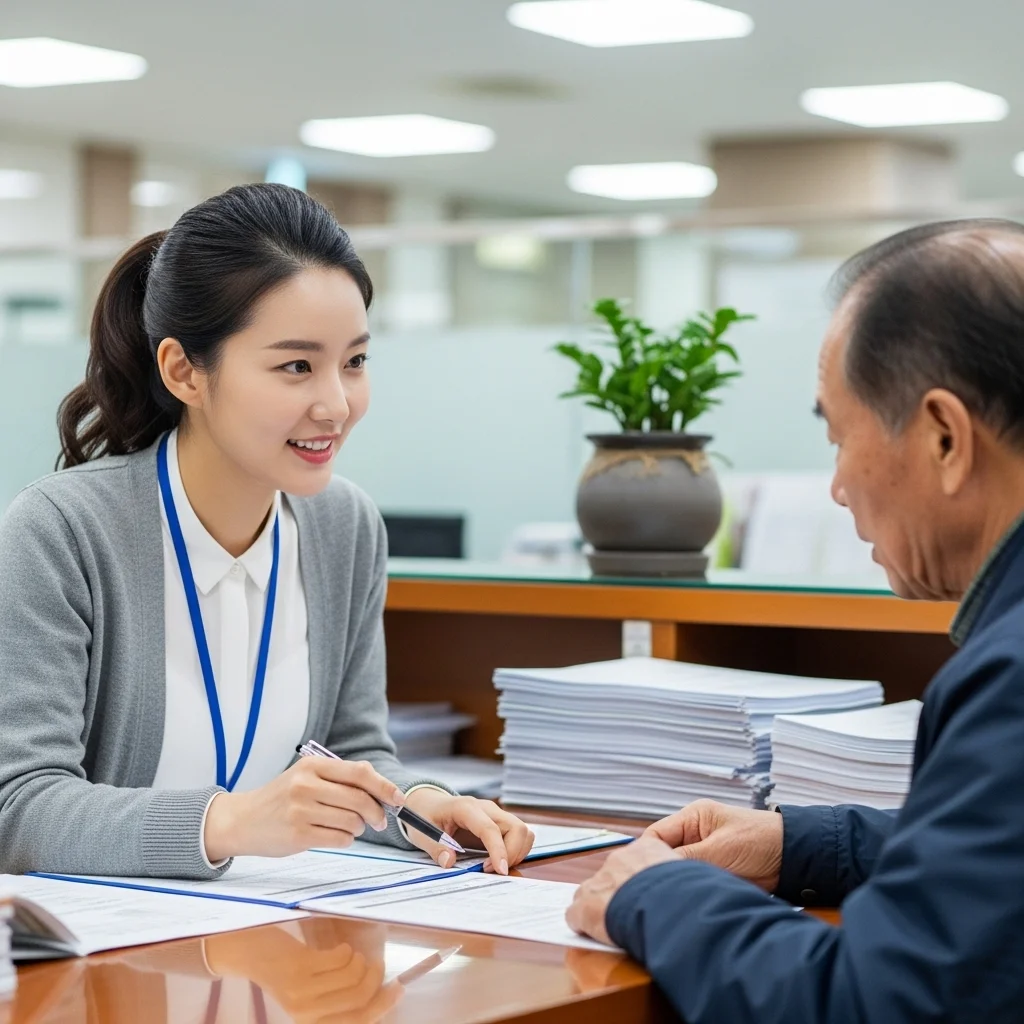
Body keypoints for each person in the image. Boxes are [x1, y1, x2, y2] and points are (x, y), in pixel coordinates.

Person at [0, 183, 533, 879]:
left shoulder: (345, 525)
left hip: (269, 940)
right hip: (101, 965)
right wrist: (232, 822)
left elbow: (351, 747)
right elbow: (18, 809)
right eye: (296, 367)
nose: (337, 404)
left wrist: (422, 809)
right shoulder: (64, 529)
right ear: (184, 370)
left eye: (355, 361)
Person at [566, 219, 1024, 1023]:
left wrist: (657, 892)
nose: (839, 486)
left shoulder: (1010, 677)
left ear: (946, 437)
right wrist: (801, 844)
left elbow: (871, 1005)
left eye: (840, 437)